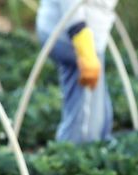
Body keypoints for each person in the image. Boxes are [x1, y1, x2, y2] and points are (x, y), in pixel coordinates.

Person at [36, 0, 117, 144]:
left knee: (100, 117)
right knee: (86, 128)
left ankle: (86, 153)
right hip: (74, 36)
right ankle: (70, 159)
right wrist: (81, 38)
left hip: (84, 36)